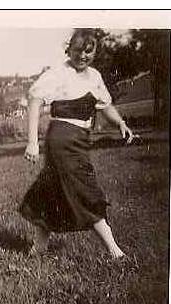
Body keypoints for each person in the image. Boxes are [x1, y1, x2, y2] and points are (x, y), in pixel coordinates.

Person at [19, 28, 134, 259]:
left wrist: (120, 122)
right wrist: (33, 142)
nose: (83, 56)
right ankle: (114, 250)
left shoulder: (94, 76)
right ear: (69, 49)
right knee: (85, 190)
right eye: (78, 51)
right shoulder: (58, 73)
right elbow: (34, 101)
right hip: (62, 139)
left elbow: (104, 105)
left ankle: (38, 248)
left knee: (52, 190)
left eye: (89, 52)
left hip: (81, 140)